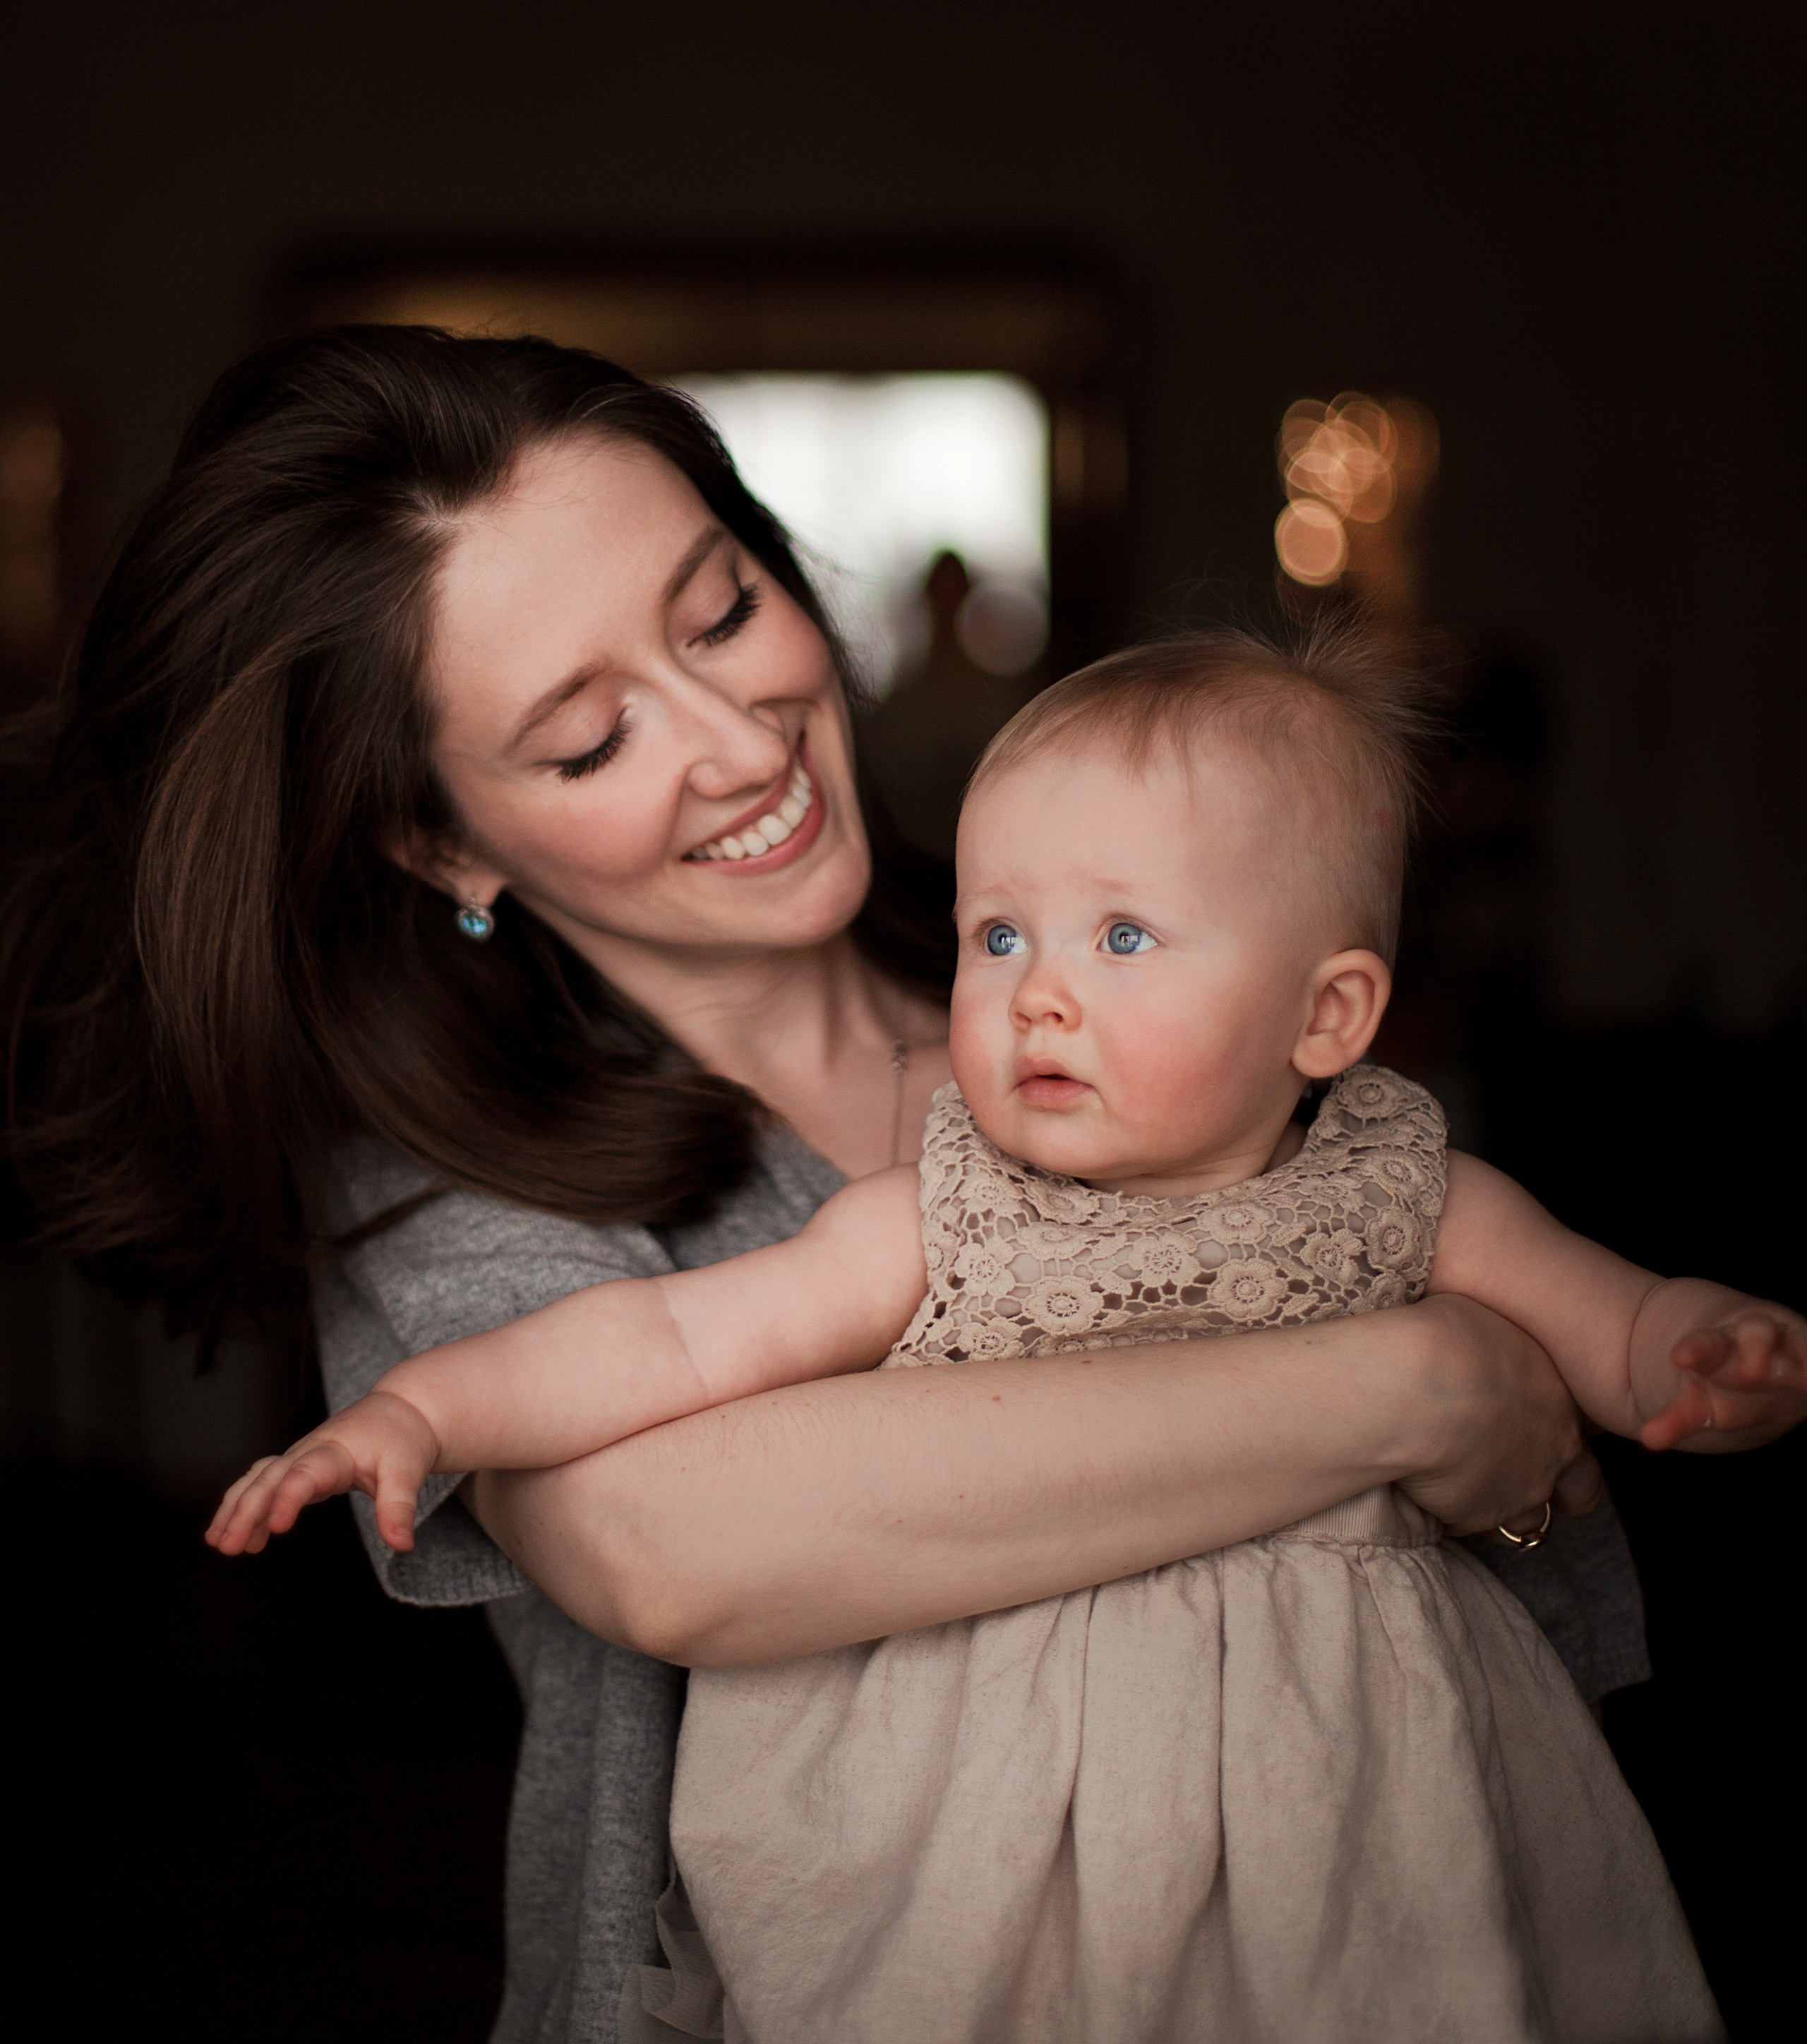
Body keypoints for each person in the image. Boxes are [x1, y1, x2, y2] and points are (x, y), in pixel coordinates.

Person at [3, 330, 1625, 2043]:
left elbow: (1530, 1524)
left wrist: (1507, 1470)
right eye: (589, 740)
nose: (738, 741)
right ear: (442, 839)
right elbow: (671, 1547)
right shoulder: (449, 1176)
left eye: (719, 613)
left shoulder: (1156, 997)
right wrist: (1407, 1390)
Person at [209, 625, 1798, 2043]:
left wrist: (1705, 1350)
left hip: (1361, 1794)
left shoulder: (1407, 1193)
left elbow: (1617, 1331)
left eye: (1123, 940)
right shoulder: (934, 1213)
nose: (1037, 995)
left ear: (1326, 1017)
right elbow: (669, 1345)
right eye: (999, 937)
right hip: (983, 1826)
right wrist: (426, 1412)